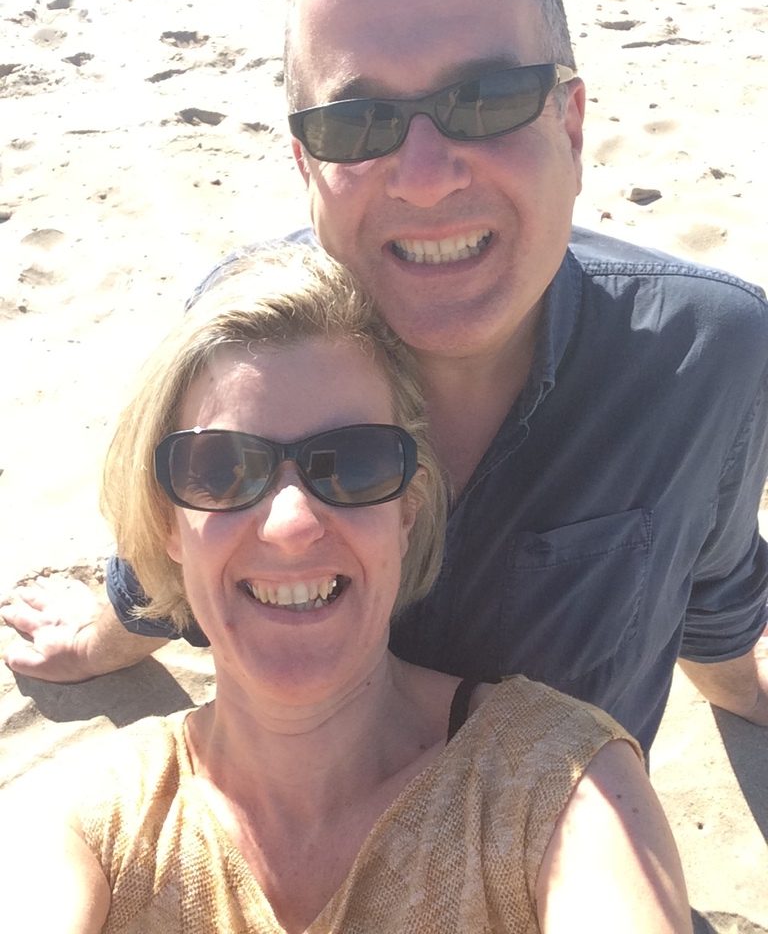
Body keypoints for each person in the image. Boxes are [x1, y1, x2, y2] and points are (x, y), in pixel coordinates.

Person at [2, 0, 767, 757]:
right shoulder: (249, 341)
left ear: (571, 125)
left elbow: (712, 567)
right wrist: (104, 638)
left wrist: (742, 690)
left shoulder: (706, 354)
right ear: (306, 164)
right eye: (358, 124)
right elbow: (184, 539)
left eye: (488, 101)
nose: (426, 179)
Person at [1, 249, 692, 932]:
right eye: (223, 469)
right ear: (166, 523)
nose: (292, 524)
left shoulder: (560, 788)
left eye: (355, 464)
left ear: (408, 509)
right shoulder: (91, 825)